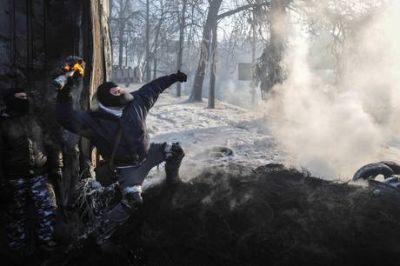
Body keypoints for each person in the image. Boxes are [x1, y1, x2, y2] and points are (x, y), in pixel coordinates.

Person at [56, 66, 187, 244]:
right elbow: (67, 118)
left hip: (148, 154)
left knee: (176, 150)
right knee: (132, 201)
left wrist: (174, 76)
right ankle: (103, 231)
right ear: (106, 98)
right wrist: (65, 91)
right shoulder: (93, 120)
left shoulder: (138, 101)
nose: (118, 90)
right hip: (128, 168)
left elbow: (154, 87)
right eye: (113, 90)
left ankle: (172, 181)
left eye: (118, 88)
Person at [0, 88, 63, 253]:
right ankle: (16, 248)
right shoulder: (3, 124)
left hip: (39, 175)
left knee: (49, 207)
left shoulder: (36, 120)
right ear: (10, 100)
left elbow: (52, 145)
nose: (25, 99)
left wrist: (56, 167)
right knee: (15, 215)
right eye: (20, 97)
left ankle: (45, 240)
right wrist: (2, 184)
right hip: (14, 179)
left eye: (26, 97)